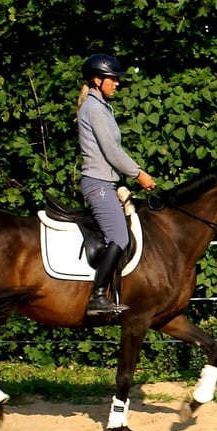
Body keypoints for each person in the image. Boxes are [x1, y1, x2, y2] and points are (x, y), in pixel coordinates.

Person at [76, 53, 156, 315]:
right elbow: (111, 151)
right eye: (112, 79)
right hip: (98, 184)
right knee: (119, 236)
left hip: (106, 182)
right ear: (97, 80)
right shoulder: (94, 109)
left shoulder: (101, 107)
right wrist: (138, 174)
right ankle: (97, 296)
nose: (117, 84)